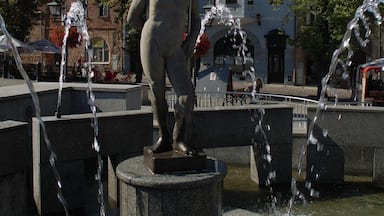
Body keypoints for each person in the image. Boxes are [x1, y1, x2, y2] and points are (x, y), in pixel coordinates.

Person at [127, 0, 201, 155]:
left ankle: (178, 139)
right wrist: (152, 30)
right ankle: (164, 137)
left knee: (187, 95)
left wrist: (191, 40)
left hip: (176, 46)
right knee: (157, 91)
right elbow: (132, 17)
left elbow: (195, 18)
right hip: (152, 40)